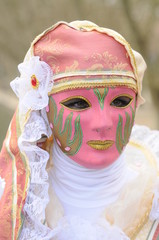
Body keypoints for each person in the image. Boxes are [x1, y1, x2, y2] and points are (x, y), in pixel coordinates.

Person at [0, 20, 159, 240]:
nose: (103, 123)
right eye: (78, 104)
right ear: (43, 109)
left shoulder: (155, 195)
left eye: (120, 101)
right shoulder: (22, 204)